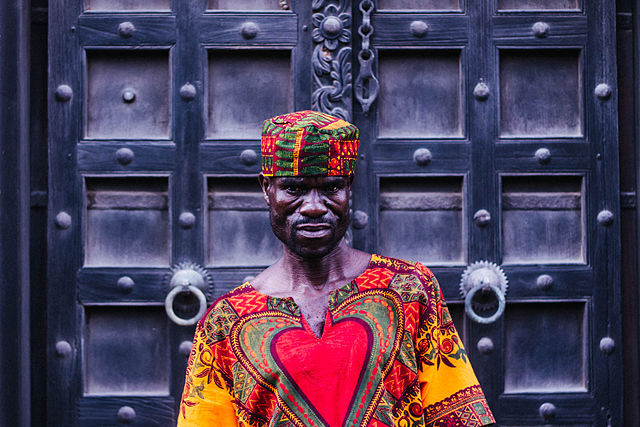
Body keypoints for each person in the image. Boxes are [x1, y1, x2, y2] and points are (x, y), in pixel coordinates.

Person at [177, 110, 495, 426]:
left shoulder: (408, 289)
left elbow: (458, 416)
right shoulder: (226, 322)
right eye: (294, 189)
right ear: (266, 189)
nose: (314, 206)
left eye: (330, 188)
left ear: (348, 188)